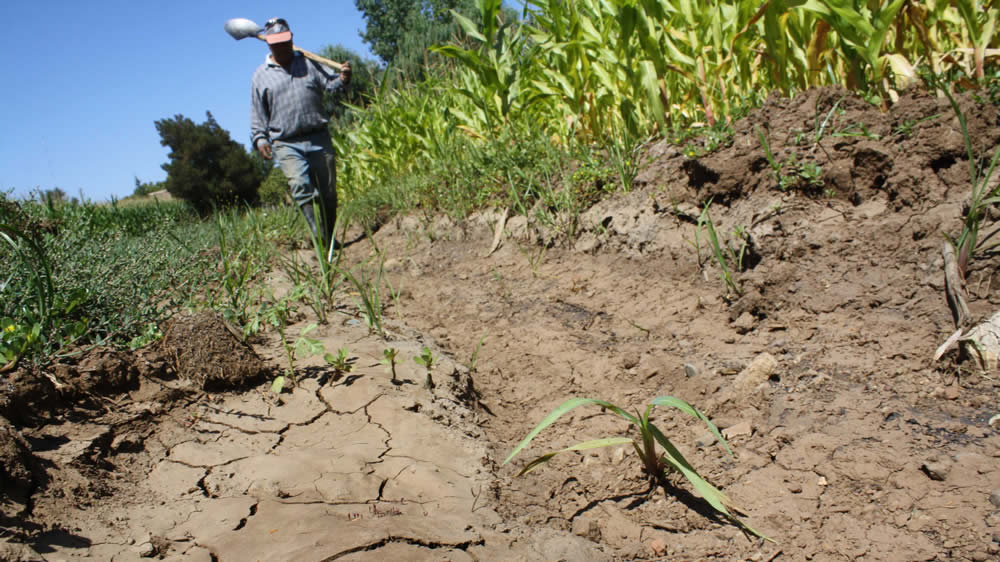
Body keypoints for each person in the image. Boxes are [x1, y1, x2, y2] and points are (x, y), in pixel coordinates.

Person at [250, 17, 351, 254]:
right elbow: (257, 112)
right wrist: (260, 138)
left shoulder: (310, 65)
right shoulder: (261, 76)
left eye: (285, 41)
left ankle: (329, 237)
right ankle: (318, 238)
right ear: (268, 44)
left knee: (328, 192)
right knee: (300, 186)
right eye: (276, 43)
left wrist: (344, 79)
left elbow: (332, 85)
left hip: (319, 137)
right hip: (286, 142)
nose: (281, 46)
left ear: (291, 39)